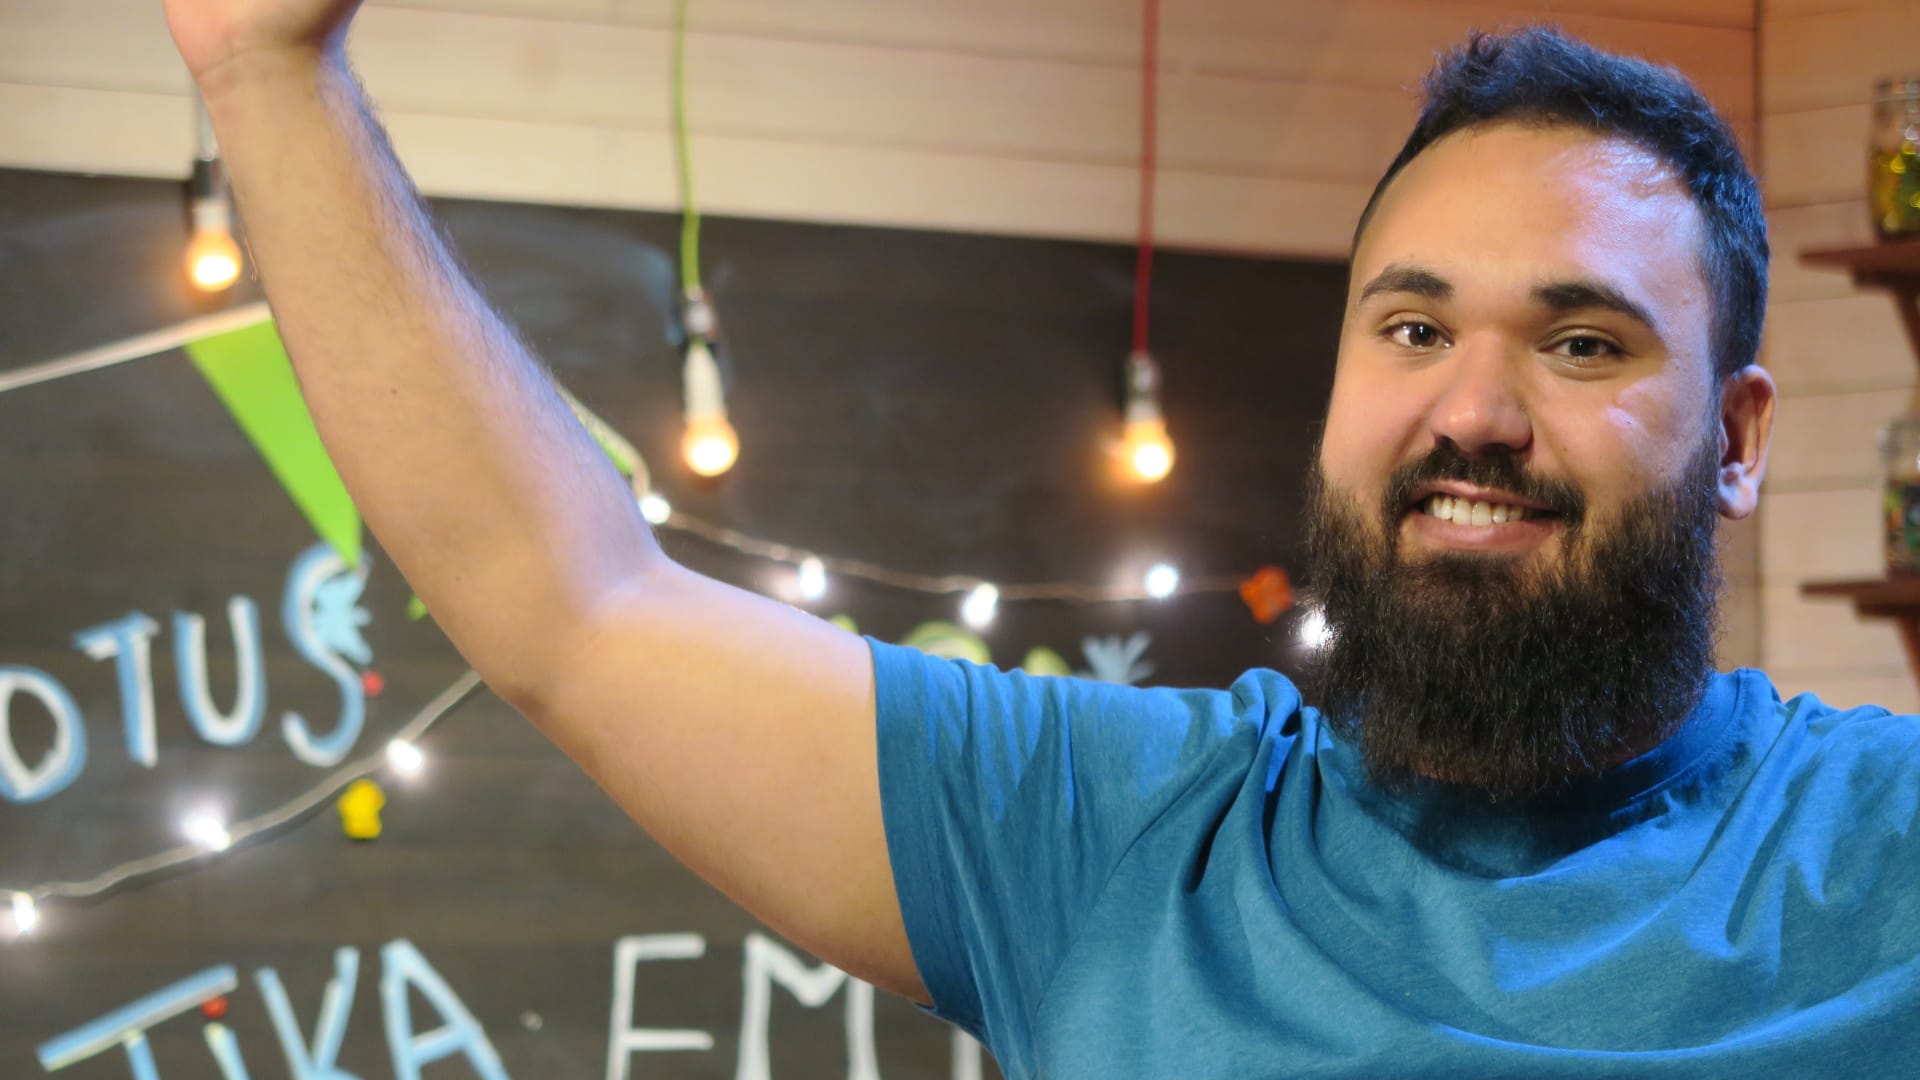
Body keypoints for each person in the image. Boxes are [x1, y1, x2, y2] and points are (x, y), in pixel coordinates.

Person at [160, 1, 1918, 1074]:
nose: (1472, 408)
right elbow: (569, 604)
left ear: (1739, 438)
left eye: (1582, 343)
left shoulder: (1885, 856)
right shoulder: (1115, 840)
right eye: (1410, 325)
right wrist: (265, 68)